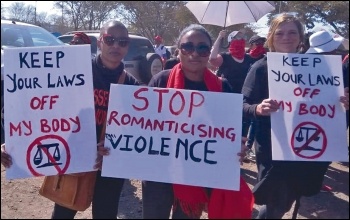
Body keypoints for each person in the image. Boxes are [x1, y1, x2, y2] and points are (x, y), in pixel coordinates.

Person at [1, 20, 140, 219]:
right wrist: (16, 142)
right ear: (100, 42)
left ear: (127, 47)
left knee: (105, 214)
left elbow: (136, 131)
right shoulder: (73, 70)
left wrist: (114, 146)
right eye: (110, 39)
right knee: (63, 212)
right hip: (74, 157)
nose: (116, 46)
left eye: (122, 42)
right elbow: (41, 105)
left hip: (108, 162)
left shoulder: (131, 85)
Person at [241, 13, 349, 219]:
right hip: (274, 147)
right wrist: (258, 108)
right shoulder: (261, 67)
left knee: (289, 196)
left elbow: (328, 106)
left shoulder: (320, 68)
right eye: (280, 33)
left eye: (292, 32)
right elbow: (241, 104)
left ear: (301, 37)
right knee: (275, 202)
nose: (286, 37)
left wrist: (343, 103)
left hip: (307, 146)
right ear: (271, 37)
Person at [141, 24, 253, 219]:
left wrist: (236, 146)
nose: (195, 53)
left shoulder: (221, 87)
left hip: (196, 173)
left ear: (209, 52)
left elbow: (229, 131)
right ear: (178, 51)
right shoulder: (161, 81)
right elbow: (140, 124)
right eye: (188, 47)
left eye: (202, 48)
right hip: (159, 169)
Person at [305, 30, 350, 193]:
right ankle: (311, 181)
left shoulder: (336, 63)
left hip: (331, 113)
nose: (336, 51)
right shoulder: (303, 64)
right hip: (310, 115)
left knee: (325, 149)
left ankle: (315, 181)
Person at [209, 29, 255, 139]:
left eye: (242, 37)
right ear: (231, 40)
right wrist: (220, 38)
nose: (241, 40)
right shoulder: (225, 57)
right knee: (227, 126)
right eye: (237, 37)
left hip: (243, 100)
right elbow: (212, 59)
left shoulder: (249, 58)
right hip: (227, 98)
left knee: (243, 128)